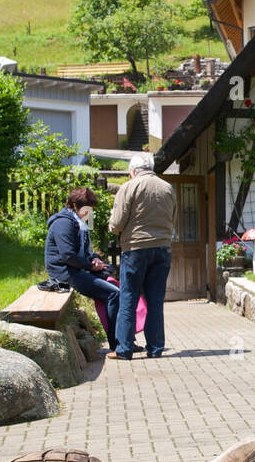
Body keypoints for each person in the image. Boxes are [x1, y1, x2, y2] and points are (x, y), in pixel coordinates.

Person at [107, 152, 177, 360]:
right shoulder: (168, 188)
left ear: (133, 171)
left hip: (136, 248)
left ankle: (124, 349)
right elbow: (173, 219)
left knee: (128, 298)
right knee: (155, 301)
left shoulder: (129, 187)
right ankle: (155, 348)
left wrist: (113, 227)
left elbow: (117, 223)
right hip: (163, 248)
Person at [44, 188, 122, 352]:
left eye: (91, 209)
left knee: (113, 281)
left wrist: (94, 258)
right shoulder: (63, 223)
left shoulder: (78, 223)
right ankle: (117, 344)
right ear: (74, 205)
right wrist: (90, 266)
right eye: (87, 209)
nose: (89, 213)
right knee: (113, 293)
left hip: (76, 269)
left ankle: (123, 339)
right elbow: (67, 255)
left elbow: (85, 251)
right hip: (64, 273)